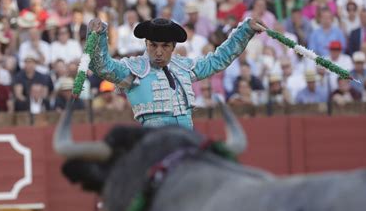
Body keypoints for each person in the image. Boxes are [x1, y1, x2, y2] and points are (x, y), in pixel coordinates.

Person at [88, 16, 266, 129]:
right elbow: (102, 66)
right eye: (153, 45)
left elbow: (217, 60)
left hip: (188, 143)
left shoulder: (183, 67)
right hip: (155, 145)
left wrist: (245, 31)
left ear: (173, 47)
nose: (158, 52)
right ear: (146, 44)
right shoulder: (133, 70)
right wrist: (99, 34)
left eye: (165, 46)